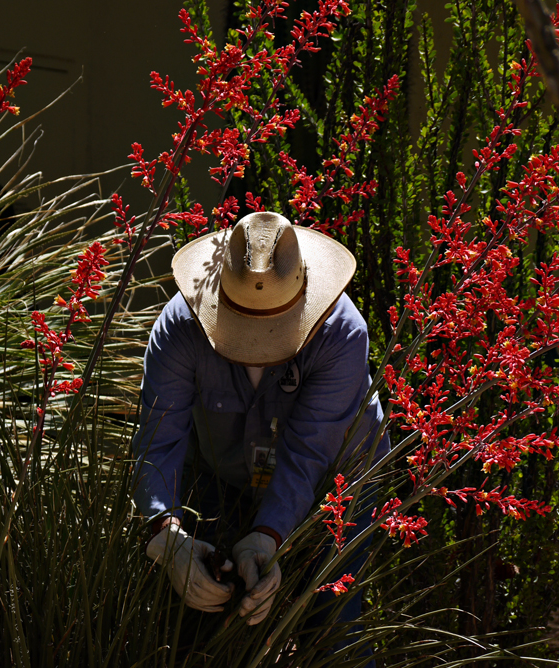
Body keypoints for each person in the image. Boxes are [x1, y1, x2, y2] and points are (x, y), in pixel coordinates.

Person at [132, 211, 390, 637]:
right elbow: (158, 440)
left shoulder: (342, 334)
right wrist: (167, 535)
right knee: (199, 621)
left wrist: (266, 535)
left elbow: (309, 454)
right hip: (219, 473)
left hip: (337, 480)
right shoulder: (180, 327)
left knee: (329, 620)